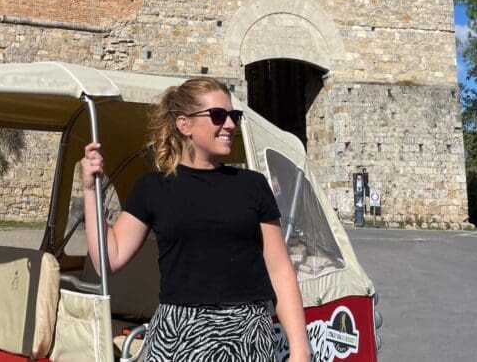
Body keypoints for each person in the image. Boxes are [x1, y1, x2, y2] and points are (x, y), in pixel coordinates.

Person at [81, 77, 310, 362]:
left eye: (233, 116)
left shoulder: (252, 185)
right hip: (177, 333)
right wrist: (90, 191)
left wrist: (301, 350)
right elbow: (108, 259)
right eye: (218, 115)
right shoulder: (154, 187)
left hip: (247, 334)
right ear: (184, 124)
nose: (229, 124)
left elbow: (280, 270)